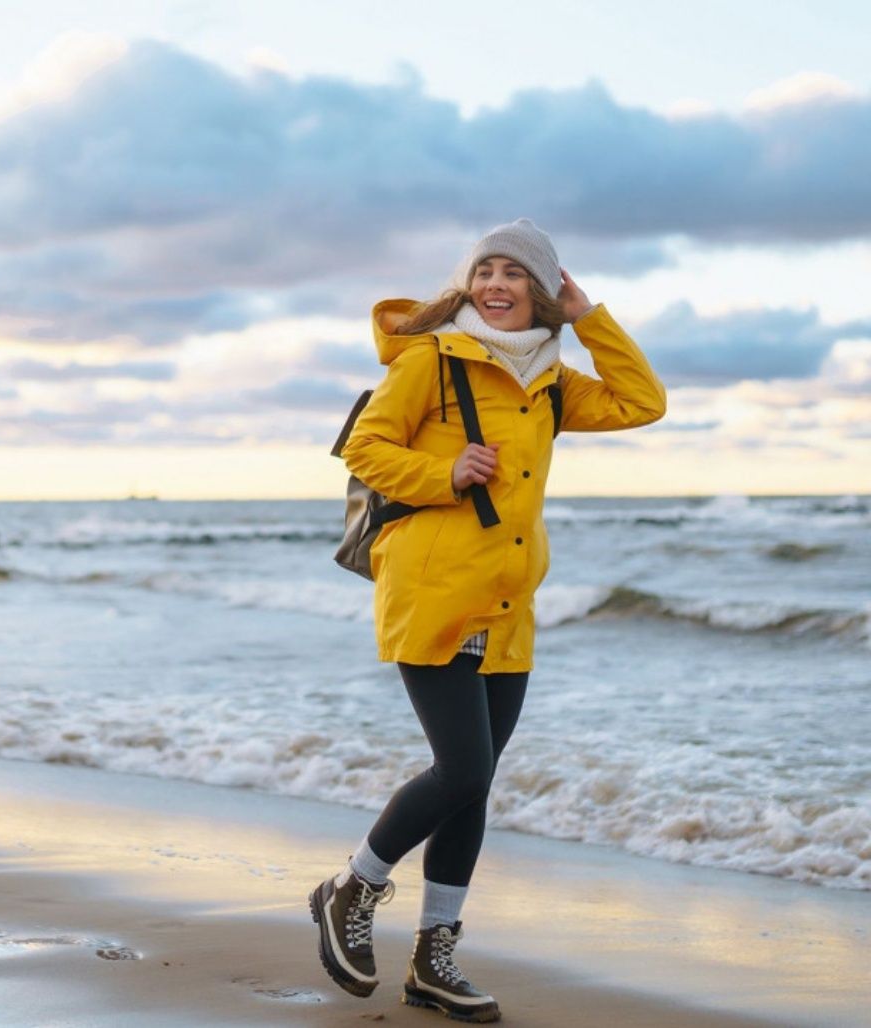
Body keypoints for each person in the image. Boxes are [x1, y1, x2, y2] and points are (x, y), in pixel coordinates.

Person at [309, 218, 666, 1022]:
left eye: (514, 273)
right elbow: (365, 448)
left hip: (508, 606)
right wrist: (444, 471)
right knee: (461, 772)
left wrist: (589, 319)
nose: (495, 285)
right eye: (484, 271)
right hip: (435, 590)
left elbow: (644, 403)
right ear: (466, 284)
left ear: (540, 288)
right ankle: (351, 886)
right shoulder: (430, 359)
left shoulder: (551, 380)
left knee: (474, 791)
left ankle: (433, 962)